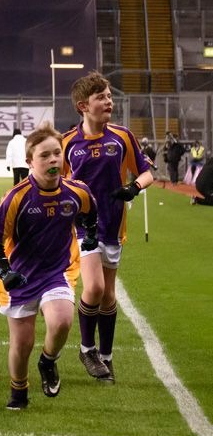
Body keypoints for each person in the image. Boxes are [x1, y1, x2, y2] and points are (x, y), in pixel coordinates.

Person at [0, 123, 96, 410]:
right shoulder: (16, 198)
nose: (53, 160)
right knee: (22, 344)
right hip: (20, 277)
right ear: (29, 163)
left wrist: (91, 231)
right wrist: (5, 272)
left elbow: (90, 210)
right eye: (44, 156)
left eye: (57, 153)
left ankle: (48, 361)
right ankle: (18, 391)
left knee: (61, 321)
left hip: (57, 272)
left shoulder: (76, 191)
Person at [60, 71, 154, 384]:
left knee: (109, 296)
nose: (108, 101)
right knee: (95, 288)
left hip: (115, 225)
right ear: (83, 105)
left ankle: (106, 360)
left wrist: (134, 187)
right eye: (101, 97)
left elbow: (147, 172)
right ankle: (87, 349)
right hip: (84, 226)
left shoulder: (122, 136)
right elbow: (54, 182)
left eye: (109, 96)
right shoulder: (68, 144)